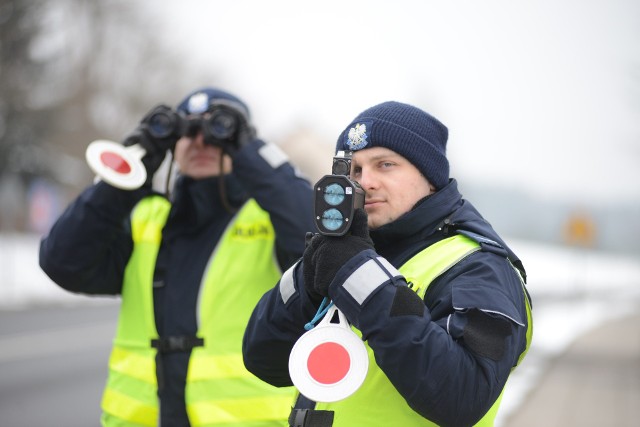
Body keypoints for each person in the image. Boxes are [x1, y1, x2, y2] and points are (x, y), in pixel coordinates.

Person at [242, 101, 533, 427]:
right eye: (354, 170)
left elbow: (461, 395)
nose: (365, 182)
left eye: (385, 165)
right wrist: (310, 276)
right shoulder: (344, 248)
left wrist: (361, 277)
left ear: (430, 176)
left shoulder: (480, 268)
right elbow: (263, 359)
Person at [39, 87, 315, 427]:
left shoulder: (269, 220)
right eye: (187, 132)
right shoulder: (146, 219)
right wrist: (130, 166)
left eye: (216, 134)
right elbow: (61, 261)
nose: (200, 142)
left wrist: (249, 153)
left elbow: (316, 243)